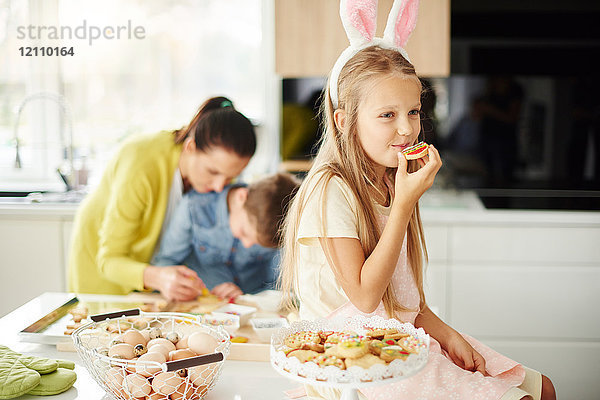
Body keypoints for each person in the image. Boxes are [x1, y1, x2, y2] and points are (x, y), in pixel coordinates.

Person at [278, 1, 555, 399]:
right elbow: (366, 296)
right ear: (344, 121)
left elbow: (403, 299)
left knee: (542, 388)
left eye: (413, 111)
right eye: (387, 115)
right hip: (352, 353)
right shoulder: (330, 189)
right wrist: (405, 204)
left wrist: (447, 334)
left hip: (397, 333)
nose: (407, 128)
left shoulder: (390, 182)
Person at [68, 96, 256, 301]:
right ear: (190, 148)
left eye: (230, 177)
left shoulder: (216, 180)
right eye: (212, 171)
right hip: (103, 264)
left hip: (153, 276)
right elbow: (109, 261)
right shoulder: (141, 164)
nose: (220, 186)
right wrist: (157, 277)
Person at [152, 172, 299, 301]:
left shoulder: (280, 224)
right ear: (241, 197)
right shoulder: (193, 208)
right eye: (245, 232)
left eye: (257, 243)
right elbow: (165, 262)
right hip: (202, 307)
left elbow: (280, 288)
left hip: (254, 313)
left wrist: (248, 299)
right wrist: (183, 285)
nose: (248, 244)